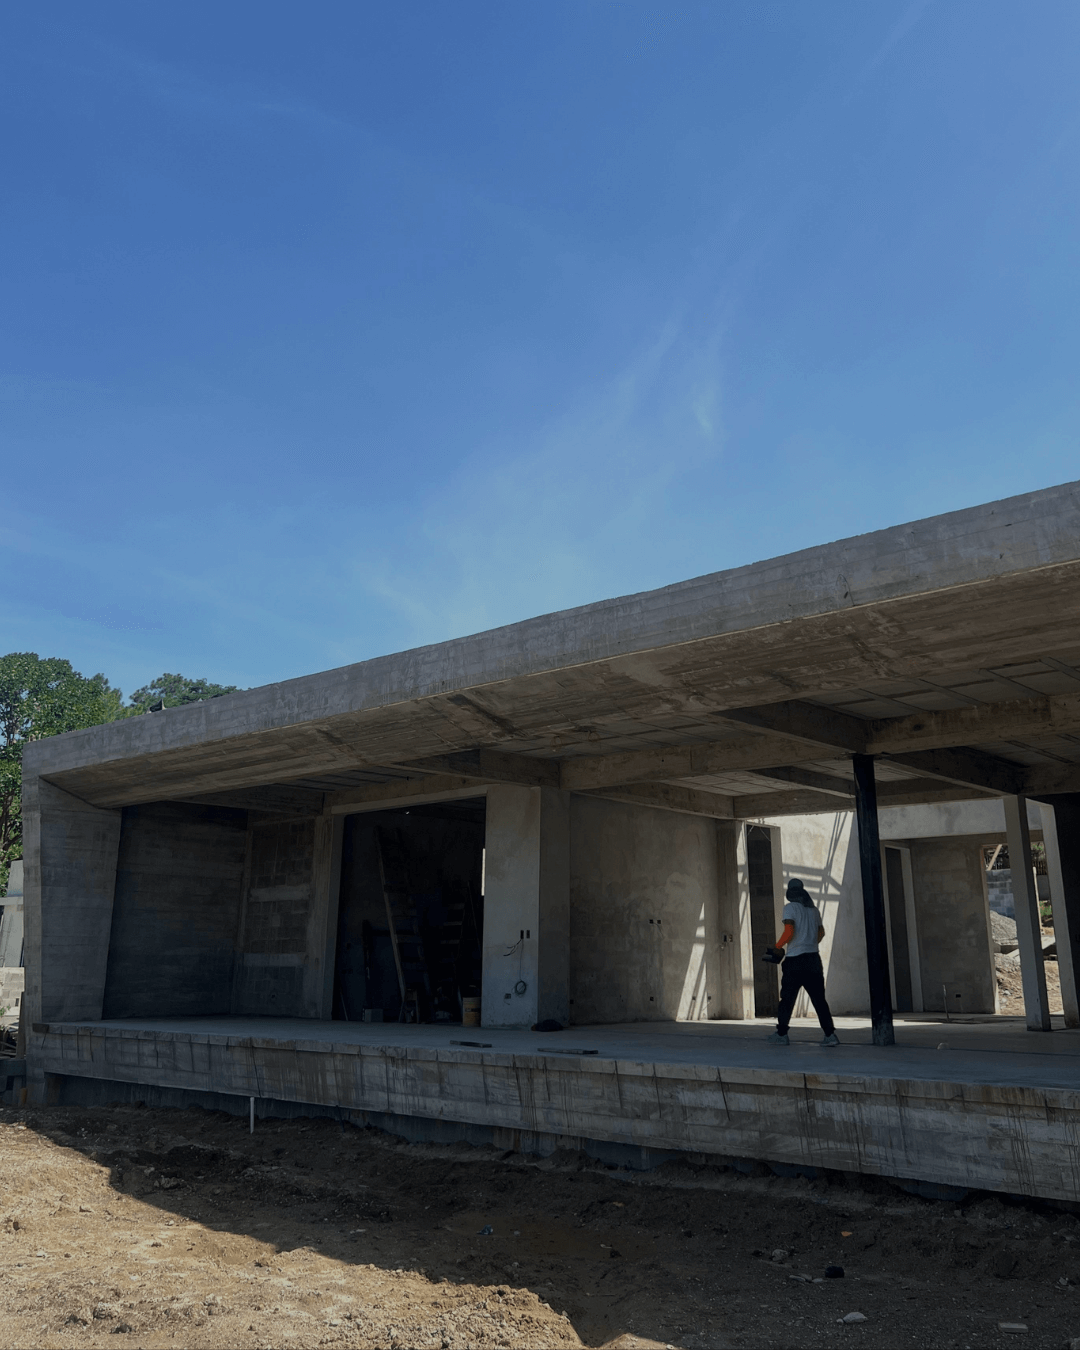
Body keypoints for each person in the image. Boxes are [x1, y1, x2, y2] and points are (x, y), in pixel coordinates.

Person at [765, 878, 839, 1047]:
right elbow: (821, 933)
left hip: (795, 961)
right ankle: (830, 1035)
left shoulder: (790, 908)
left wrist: (778, 946)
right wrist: (809, 944)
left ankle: (781, 1034)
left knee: (787, 999)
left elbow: (789, 930)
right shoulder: (814, 910)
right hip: (813, 959)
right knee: (819, 999)